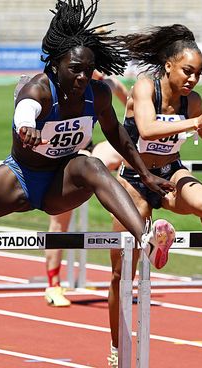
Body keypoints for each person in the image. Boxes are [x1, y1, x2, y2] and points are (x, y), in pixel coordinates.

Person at [0, 0, 177, 298]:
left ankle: (145, 238)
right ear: (55, 66)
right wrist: (25, 125)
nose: (82, 77)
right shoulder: (39, 89)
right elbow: (24, 111)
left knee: (91, 165)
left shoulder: (97, 94)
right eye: (75, 69)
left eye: (89, 69)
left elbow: (119, 136)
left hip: (62, 183)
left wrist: (145, 174)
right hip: (21, 179)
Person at [106, 24, 202, 367]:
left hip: (169, 171)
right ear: (169, 66)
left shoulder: (194, 101)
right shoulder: (145, 87)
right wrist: (193, 123)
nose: (193, 79)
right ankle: (118, 346)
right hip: (134, 177)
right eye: (188, 71)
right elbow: (147, 129)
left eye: (199, 74)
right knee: (121, 273)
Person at [42, 72, 129, 308]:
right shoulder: (60, 84)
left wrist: (135, 128)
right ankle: (53, 285)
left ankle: (124, 199)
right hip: (60, 153)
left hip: (87, 149)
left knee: (123, 152)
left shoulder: (108, 85)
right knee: (60, 223)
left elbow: (131, 104)